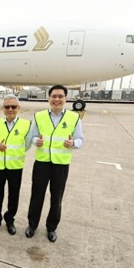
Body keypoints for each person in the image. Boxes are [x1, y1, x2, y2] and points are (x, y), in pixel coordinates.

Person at [25, 84, 84, 242]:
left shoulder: (74, 117)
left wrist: (73, 144)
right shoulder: (39, 116)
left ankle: (51, 228)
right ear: (48, 98)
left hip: (61, 164)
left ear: (65, 98)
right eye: (54, 96)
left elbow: (80, 139)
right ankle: (32, 225)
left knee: (56, 197)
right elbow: (32, 137)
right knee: (37, 195)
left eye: (60, 96)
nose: (57, 99)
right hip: (42, 163)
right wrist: (35, 141)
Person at [0, 94, 32, 235]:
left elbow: (27, 144)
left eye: (13, 106)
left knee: (13, 196)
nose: (10, 109)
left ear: (18, 108)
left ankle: (9, 220)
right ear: (3, 108)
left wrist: (14, 154)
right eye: (7, 107)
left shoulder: (26, 125)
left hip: (15, 166)